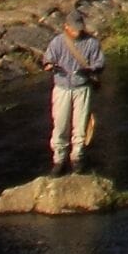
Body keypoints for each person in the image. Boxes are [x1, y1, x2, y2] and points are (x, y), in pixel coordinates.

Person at [43, 14, 104, 174]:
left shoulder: (92, 42)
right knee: (60, 125)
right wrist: (51, 66)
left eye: (80, 29)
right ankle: (59, 160)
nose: (78, 32)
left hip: (82, 88)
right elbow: (47, 60)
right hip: (62, 89)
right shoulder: (57, 42)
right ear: (66, 27)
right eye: (75, 29)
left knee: (81, 126)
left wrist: (91, 69)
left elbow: (100, 63)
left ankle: (77, 158)